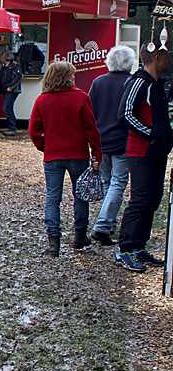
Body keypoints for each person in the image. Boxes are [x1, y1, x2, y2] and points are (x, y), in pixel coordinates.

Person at [29, 61, 102, 257]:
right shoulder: (81, 98)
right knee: (80, 195)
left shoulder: (42, 100)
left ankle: (54, 243)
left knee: (53, 198)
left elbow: (34, 131)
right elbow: (92, 130)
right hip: (78, 154)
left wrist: (44, 147)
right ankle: (80, 236)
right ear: (66, 77)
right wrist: (97, 154)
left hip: (53, 155)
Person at [115, 45, 173, 272]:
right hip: (141, 151)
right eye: (166, 55)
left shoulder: (157, 84)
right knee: (139, 200)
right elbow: (125, 114)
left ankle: (138, 245)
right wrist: (150, 134)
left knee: (152, 199)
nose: (169, 59)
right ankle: (125, 249)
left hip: (157, 151)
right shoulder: (139, 82)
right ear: (157, 57)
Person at [89, 46, 136, 246]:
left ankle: (109, 223)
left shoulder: (98, 82)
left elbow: (90, 112)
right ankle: (102, 225)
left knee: (107, 182)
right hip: (122, 140)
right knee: (118, 182)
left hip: (101, 140)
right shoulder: (131, 82)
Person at [0, 51, 22, 136]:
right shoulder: (5, 67)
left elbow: (18, 78)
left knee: (7, 108)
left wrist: (11, 87)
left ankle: (12, 127)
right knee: (8, 108)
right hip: (7, 90)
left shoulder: (16, 66)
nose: (5, 62)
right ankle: (11, 127)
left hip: (12, 90)